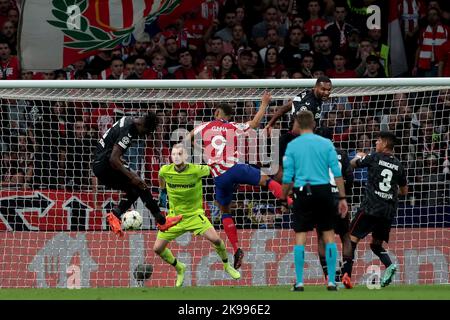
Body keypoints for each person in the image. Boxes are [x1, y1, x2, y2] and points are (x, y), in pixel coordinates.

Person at [185, 92, 293, 269]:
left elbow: (187, 138)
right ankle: (290, 201)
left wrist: (203, 150)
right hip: (236, 168)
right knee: (267, 180)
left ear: (217, 113)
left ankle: (236, 249)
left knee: (225, 210)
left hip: (219, 176)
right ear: (228, 116)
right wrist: (264, 103)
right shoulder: (234, 126)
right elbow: (255, 124)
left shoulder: (203, 126)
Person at [154, 144, 241, 287]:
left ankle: (227, 266)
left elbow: (216, 170)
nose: (176, 156)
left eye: (180, 153)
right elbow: (161, 177)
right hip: (175, 217)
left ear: (186, 156)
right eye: (173, 154)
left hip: (195, 215)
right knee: (157, 249)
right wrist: (163, 191)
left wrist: (231, 179)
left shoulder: (197, 170)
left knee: (217, 240)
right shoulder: (165, 170)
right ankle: (179, 267)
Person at [281, 110, 348, 291]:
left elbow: (287, 177)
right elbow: (337, 173)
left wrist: (282, 196)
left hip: (302, 192)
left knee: (301, 237)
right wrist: (342, 198)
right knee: (328, 236)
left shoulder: (293, 146)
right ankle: (332, 282)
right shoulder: (326, 144)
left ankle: (300, 282)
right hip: (324, 192)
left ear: (297, 125)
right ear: (313, 124)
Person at [92, 113, 182, 237]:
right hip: (105, 166)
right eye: (145, 132)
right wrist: (132, 176)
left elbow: (112, 147)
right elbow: (113, 159)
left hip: (102, 162)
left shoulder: (129, 120)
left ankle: (115, 215)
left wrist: (120, 160)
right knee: (139, 184)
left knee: (136, 188)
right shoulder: (129, 131)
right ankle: (162, 221)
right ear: (142, 124)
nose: (144, 135)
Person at [349, 131, 408, 287]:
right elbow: (404, 191)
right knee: (375, 244)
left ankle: (345, 278)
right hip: (387, 211)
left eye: (378, 141)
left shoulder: (374, 157)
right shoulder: (398, 165)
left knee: (351, 239)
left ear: (385, 144)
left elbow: (353, 164)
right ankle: (390, 265)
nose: (376, 143)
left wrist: (359, 156)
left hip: (370, 207)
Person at [315, 127, 354, 289]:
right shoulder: (342, 153)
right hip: (339, 199)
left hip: (322, 200)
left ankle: (328, 276)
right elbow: (350, 177)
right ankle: (347, 274)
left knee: (322, 238)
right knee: (345, 236)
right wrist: (346, 195)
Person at [265, 76, 332, 131]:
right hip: (300, 137)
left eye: (328, 90)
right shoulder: (308, 104)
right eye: (323, 89)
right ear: (315, 88)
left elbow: (285, 108)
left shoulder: (308, 93)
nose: (326, 93)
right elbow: (299, 126)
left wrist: (270, 123)